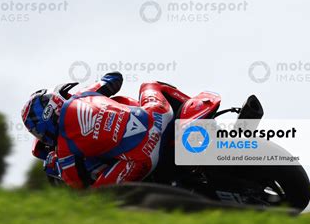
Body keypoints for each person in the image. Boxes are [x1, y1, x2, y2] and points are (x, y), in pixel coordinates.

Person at [21, 72, 189, 188]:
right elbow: (115, 78)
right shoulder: (83, 94)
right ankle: (194, 111)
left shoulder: (65, 149)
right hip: (157, 116)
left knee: (98, 197)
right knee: (150, 85)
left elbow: (78, 185)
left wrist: (56, 165)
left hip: (142, 157)